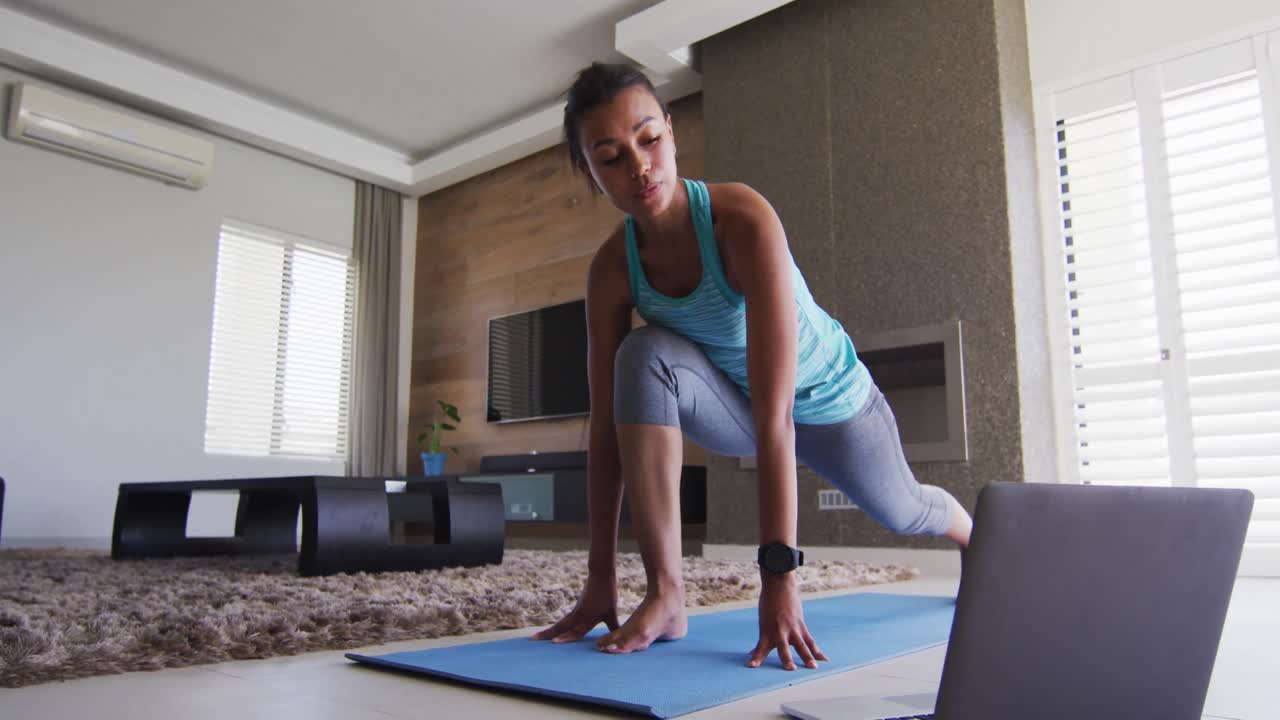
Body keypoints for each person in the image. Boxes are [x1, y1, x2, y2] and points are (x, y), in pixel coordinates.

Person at [531, 63, 972, 671]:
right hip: (736, 408)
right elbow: (605, 426)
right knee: (643, 354)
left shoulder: (742, 220)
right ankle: (668, 593)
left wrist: (779, 579)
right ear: (589, 172)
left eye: (649, 139)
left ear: (672, 134)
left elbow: (778, 415)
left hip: (832, 405)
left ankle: (971, 532)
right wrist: (599, 577)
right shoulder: (612, 269)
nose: (638, 166)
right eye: (610, 156)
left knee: (904, 509)